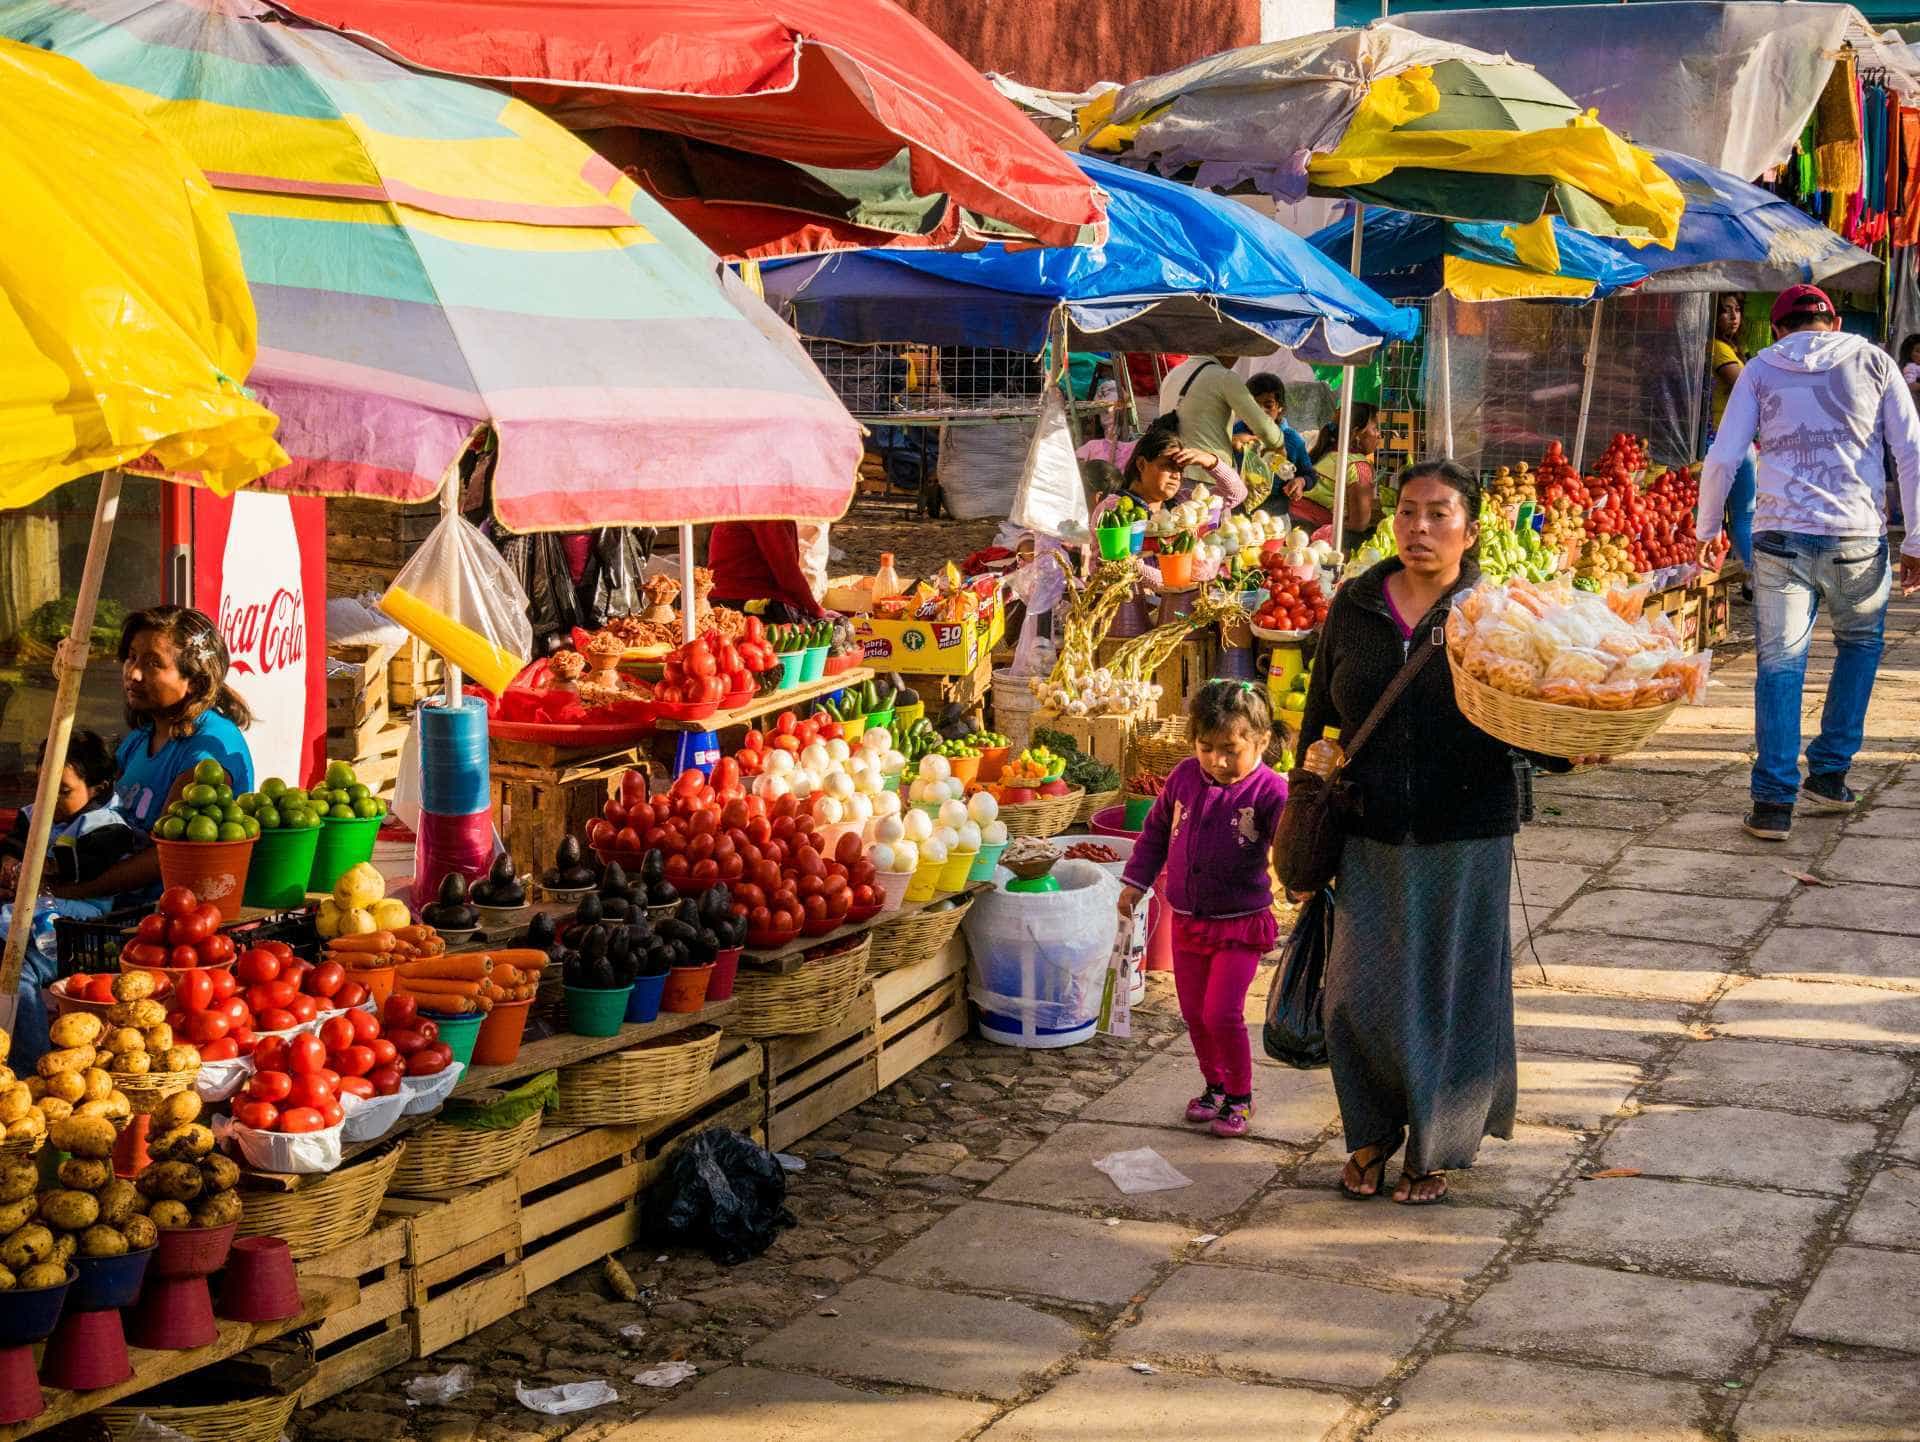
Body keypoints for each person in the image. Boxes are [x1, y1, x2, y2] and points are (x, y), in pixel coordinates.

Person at [1297, 461, 1597, 1205]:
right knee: (1353, 995)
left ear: (1469, 526)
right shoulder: (1357, 603)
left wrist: (1569, 744)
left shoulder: (1495, 611)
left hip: (1465, 830)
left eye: (1438, 514)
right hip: (1368, 827)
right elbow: (1318, 712)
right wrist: (1304, 791)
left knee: (1448, 994)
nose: (1419, 529)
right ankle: (1368, 1132)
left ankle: (1433, 1147)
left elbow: (1531, 713)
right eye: (1406, 513)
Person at [1698, 284, 1920, 841]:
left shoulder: (1758, 368)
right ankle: (1829, 774)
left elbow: (1725, 455)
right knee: (1861, 646)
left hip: (1779, 538)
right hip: (1857, 535)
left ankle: (1773, 803)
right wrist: (1916, 537)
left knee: (1779, 664)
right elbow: (1911, 450)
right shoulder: (1875, 361)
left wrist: (1707, 530)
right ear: (1836, 320)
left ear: (1776, 328)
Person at [1117, 681, 1288, 1139]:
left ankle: (1240, 1095)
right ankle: (1213, 1086)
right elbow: (1154, 833)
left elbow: (1289, 850)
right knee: (1193, 1011)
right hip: (1188, 920)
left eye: (1230, 749)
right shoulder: (1183, 778)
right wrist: (1135, 881)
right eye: (1206, 748)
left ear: (1261, 741)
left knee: (1222, 1013)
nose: (1217, 760)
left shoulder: (1272, 793)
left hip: (1240, 923)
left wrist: (1302, 881)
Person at [50, 606, 256, 905]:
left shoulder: (206, 757)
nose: (133, 673)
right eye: (132, 657)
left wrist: (64, 892)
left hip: (166, 916)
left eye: (153, 663)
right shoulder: (141, 738)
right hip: (111, 901)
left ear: (194, 682)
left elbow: (163, 857)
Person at [1, 731, 142, 1068]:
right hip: (32, 913)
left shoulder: (109, 825)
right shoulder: (32, 814)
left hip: (80, 927)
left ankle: (30, 1067)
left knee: (17, 966)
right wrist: (8, 867)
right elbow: (10, 850)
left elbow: (81, 865)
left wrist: (36, 869)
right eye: (43, 786)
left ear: (98, 789)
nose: (49, 800)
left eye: (63, 791)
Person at [1081, 412, 1246, 515]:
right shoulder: (1114, 508)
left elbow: (1237, 494)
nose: (1176, 475)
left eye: (1180, 469)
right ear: (1141, 464)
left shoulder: (1183, 504)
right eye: (1167, 465)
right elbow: (1122, 563)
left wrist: (1211, 461)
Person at [1157, 355, 1286, 486]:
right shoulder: (1224, 377)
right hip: (1205, 476)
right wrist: (1279, 446)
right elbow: (1264, 428)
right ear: (1227, 349)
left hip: (1169, 472)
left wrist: (1233, 439)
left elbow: (1196, 425)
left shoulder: (1172, 375)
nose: (1237, 357)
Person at [1707, 295, 1756, 570]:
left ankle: (1752, 575)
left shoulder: (1733, 348)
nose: (1733, 316)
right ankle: (1751, 575)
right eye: (1726, 311)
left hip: (1737, 439)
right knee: (1735, 515)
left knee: (1743, 515)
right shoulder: (1715, 348)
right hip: (1720, 438)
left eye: (1737, 310)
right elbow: (1745, 384)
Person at [1294, 404, 1384, 545]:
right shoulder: (1359, 466)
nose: (1379, 435)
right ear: (1356, 434)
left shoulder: (1325, 452)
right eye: (1375, 428)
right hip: (1309, 535)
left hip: (1291, 523)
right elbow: (1358, 524)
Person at [707, 522, 827, 620]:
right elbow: (788, 577)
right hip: (755, 604)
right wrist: (816, 610)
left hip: (722, 601)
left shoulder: (741, 507)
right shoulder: (768, 515)